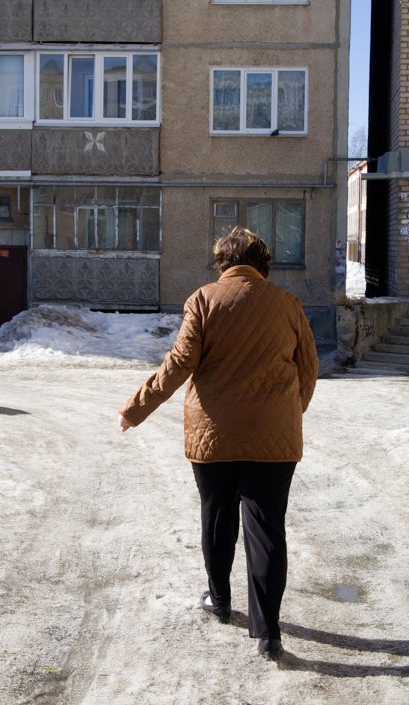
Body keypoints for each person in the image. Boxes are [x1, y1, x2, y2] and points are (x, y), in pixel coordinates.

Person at [118, 226, 319, 660]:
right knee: (267, 529)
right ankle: (268, 634)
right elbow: (308, 368)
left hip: (213, 434)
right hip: (274, 438)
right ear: (264, 264)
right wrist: (286, 413)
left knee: (216, 516)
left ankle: (221, 601)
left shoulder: (204, 300)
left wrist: (136, 408)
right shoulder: (288, 304)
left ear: (222, 263)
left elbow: (178, 364)